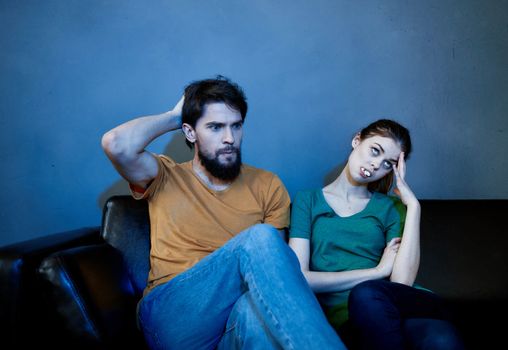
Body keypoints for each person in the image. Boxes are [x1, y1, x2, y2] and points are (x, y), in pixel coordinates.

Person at [101, 76, 346, 350]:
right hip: (172, 316)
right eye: (215, 127)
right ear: (191, 132)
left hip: (233, 322)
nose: (229, 138)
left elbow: (273, 278)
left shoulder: (267, 185)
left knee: (257, 317)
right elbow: (115, 144)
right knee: (260, 238)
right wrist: (174, 116)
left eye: (236, 126)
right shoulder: (165, 175)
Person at [288, 119, 465, 349]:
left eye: (386, 164)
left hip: (406, 304)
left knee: (440, 337)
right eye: (374, 151)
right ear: (357, 140)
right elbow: (301, 279)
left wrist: (413, 206)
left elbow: (402, 282)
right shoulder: (307, 201)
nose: (374, 166)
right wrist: (377, 271)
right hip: (352, 317)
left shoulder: (391, 207)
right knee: (369, 297)